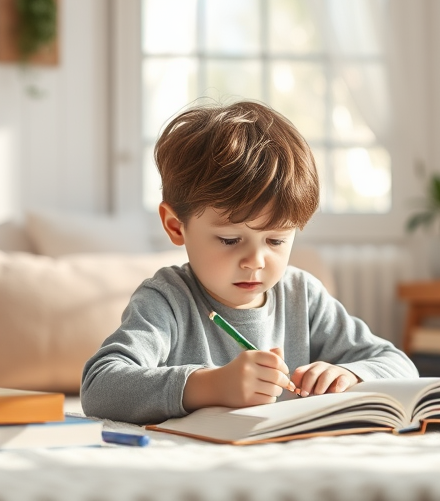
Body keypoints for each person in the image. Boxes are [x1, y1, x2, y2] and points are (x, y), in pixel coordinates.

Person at [80, 100, 418, 425]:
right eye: (230, 240)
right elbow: (99, 388)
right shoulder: (167, 299)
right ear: (175, 225)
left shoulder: (302, 296)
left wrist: (350, 373)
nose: (255, 261)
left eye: (276, 240)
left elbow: (399, 365)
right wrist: (210, 386)